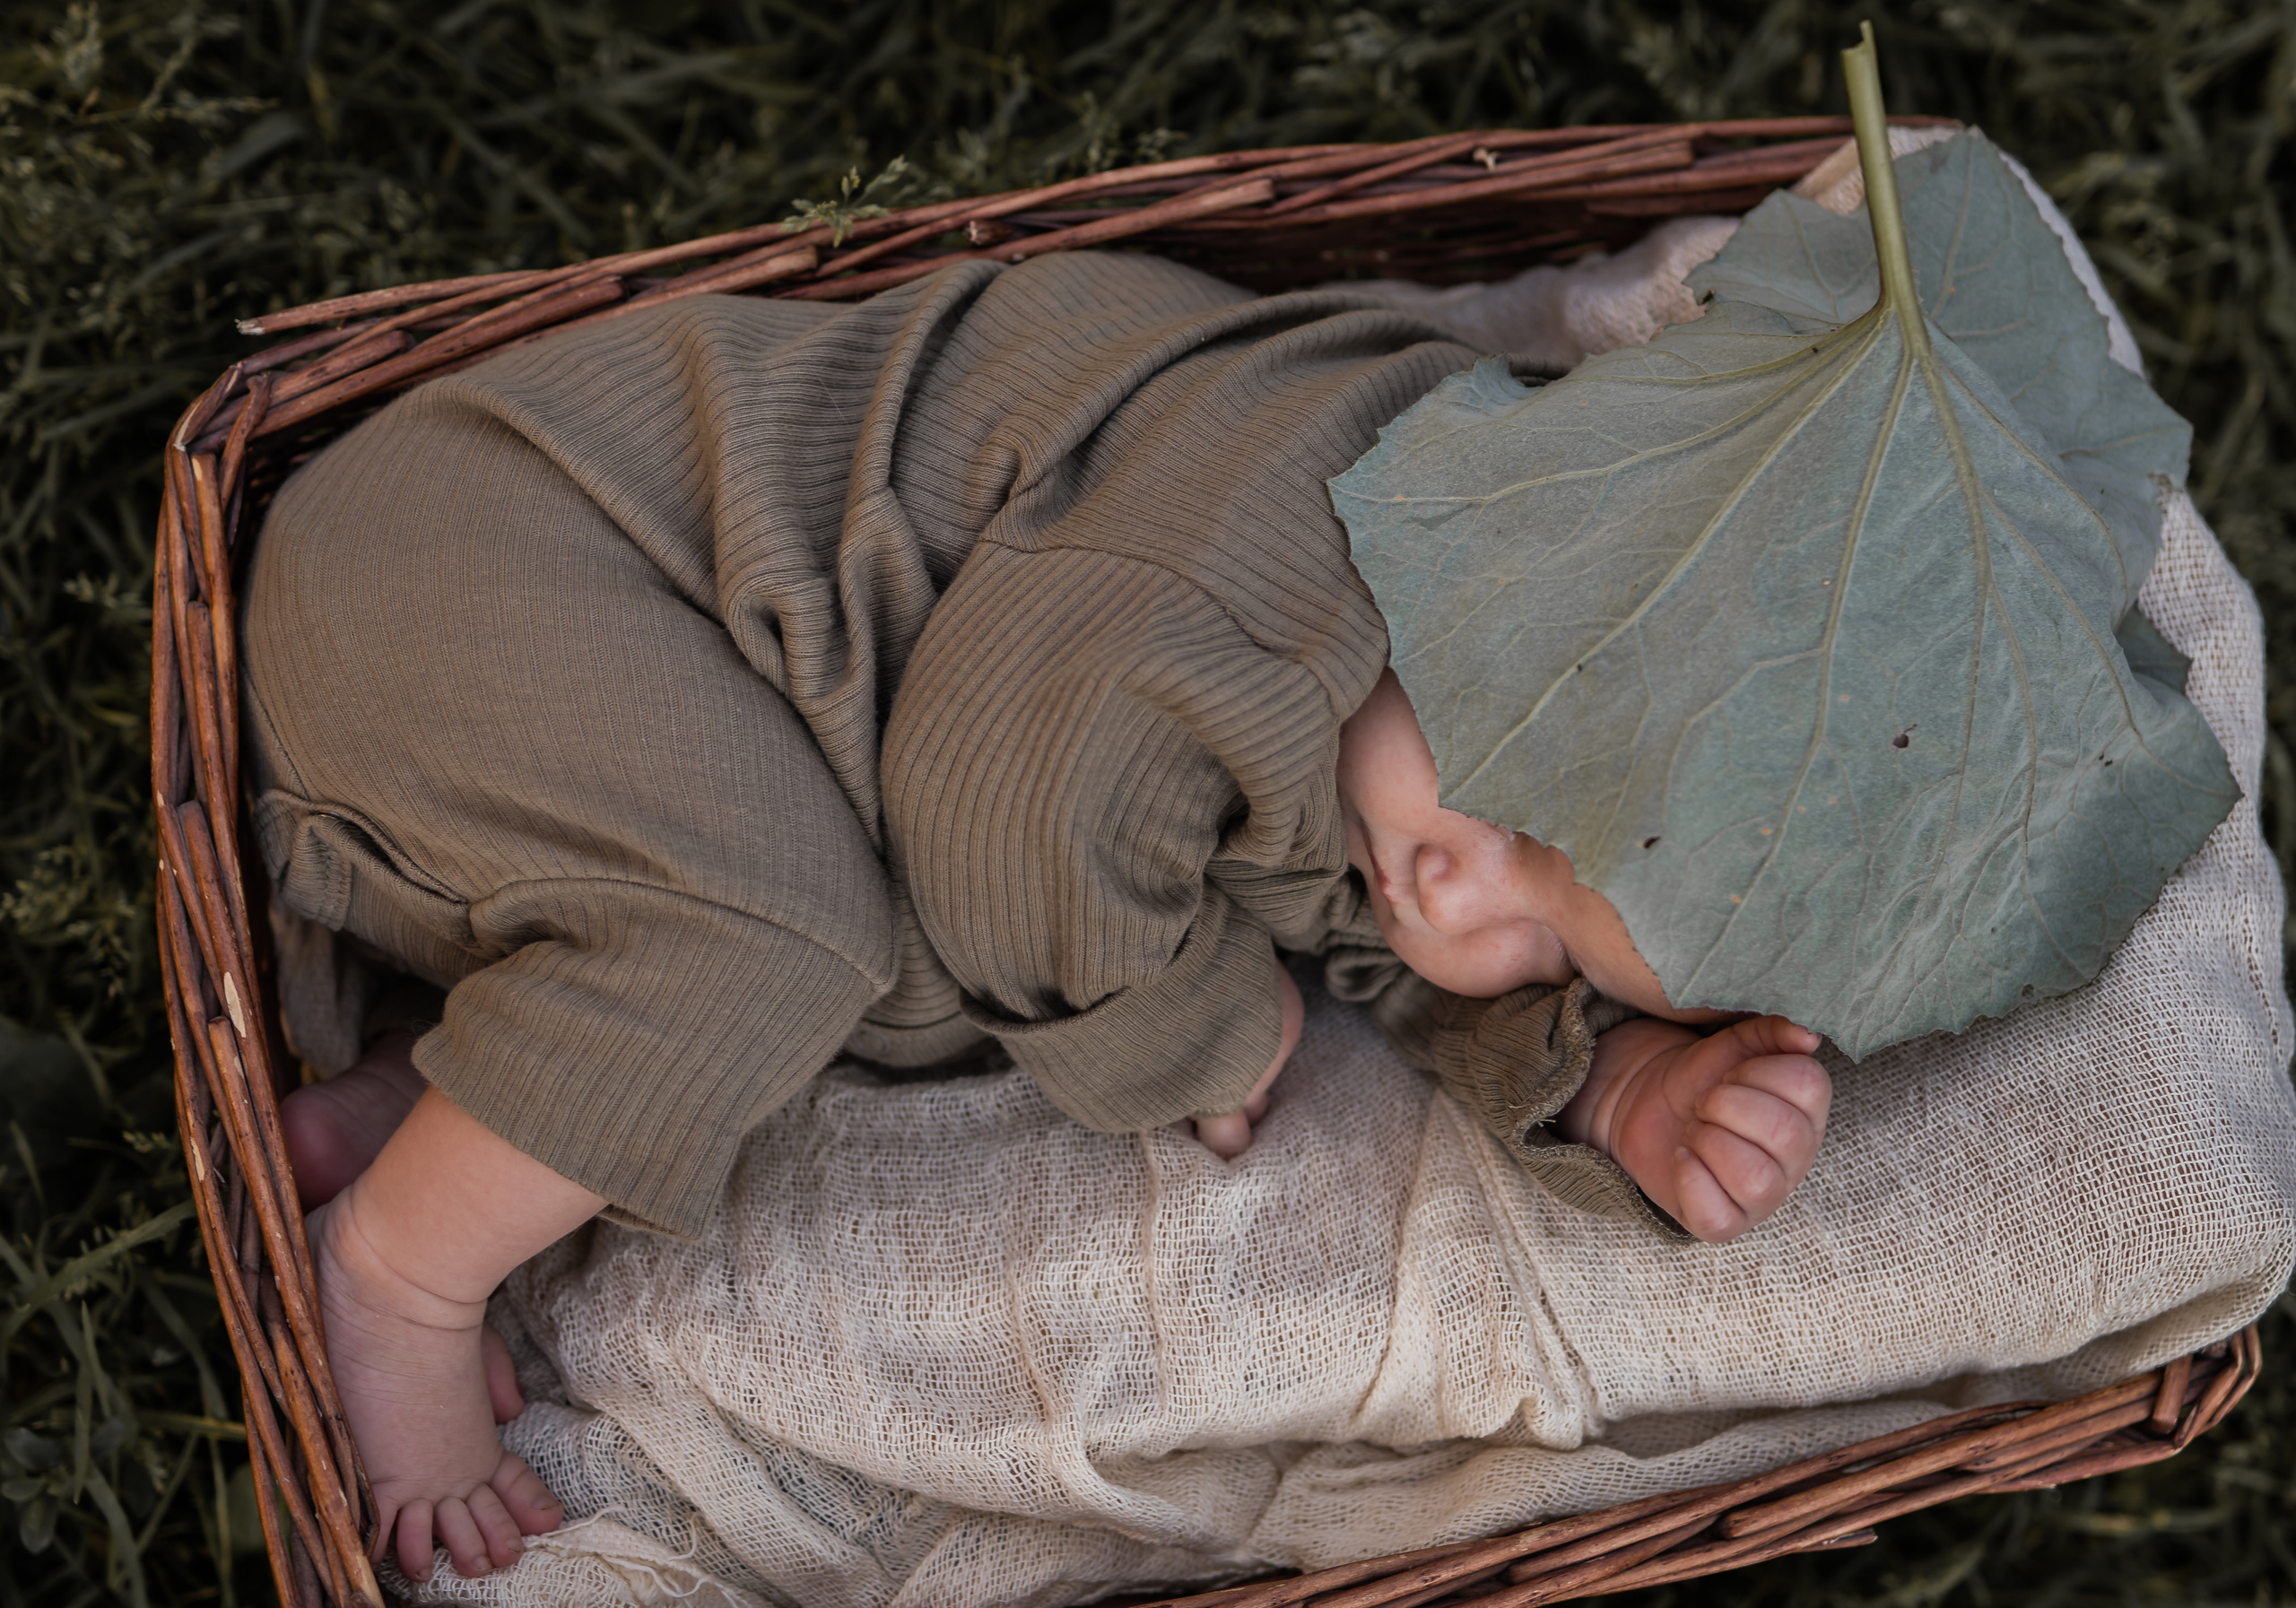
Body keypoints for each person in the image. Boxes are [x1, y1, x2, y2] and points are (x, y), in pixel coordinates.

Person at [243, 249, 1831, 1586]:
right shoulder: (1271, 558)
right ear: (1532, 550)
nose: (1457, 892)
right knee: (760, 942)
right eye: (1521, 804)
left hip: (584, 755)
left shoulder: (1400, 743)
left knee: (774, 960)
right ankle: (396, 1271)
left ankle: (462, 1084)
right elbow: (1005, 820)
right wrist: (1208, 1031)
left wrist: (1613, 1078)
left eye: (1551, 948)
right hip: (496, 561)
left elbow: (1395, 948)